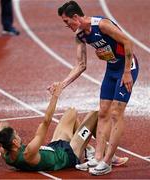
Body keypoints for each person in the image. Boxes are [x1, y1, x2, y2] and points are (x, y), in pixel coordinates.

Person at [48, 0, 139, 175]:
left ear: (76, 17)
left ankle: (107, 162)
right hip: (112, 69)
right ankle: (98, 157)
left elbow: (127, 42)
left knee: (115, 113)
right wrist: (62, 84)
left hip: (127, 68)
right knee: (103, 112)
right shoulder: (80, 36)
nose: (66, 26)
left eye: (67, 21)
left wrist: (126, 72)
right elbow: (81, 65)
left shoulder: (102, 25)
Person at [0, 83, 99, 171]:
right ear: (15, 142)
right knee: (94, 114)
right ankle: (104, 155)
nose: (18, 135)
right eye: (16, 135)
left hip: (55, 147)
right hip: (69, 155)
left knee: (71, 112)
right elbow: (46, 121)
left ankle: (88, 149)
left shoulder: (5, 153)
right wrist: (55, 95)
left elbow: (4, 125)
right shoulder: (29, 152)